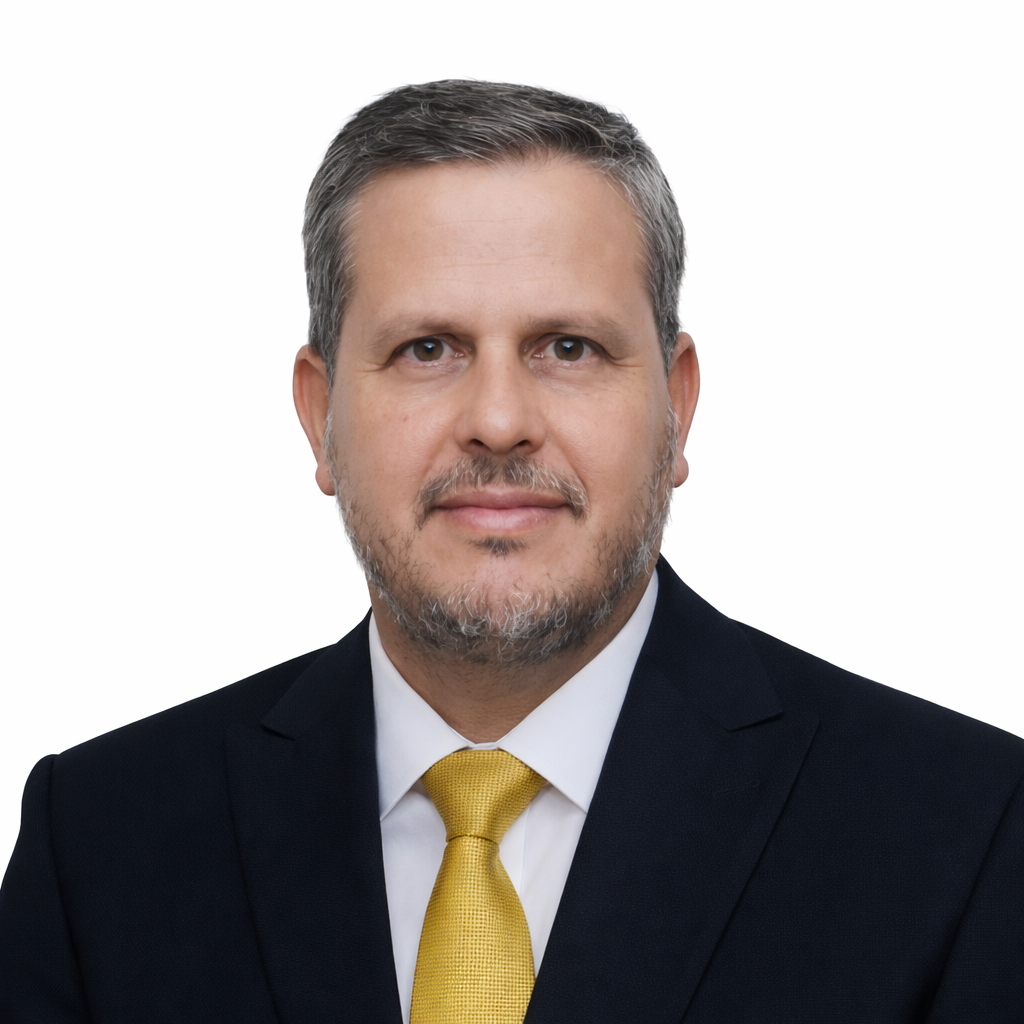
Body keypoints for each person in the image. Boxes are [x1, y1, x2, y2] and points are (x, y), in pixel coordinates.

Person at [0, 80, 1021, 1024]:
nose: (497, 421)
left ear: (677, 408)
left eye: (568, 347)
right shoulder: (97, 841)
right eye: (427, 349)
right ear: (320, 416)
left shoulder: (965, 832)